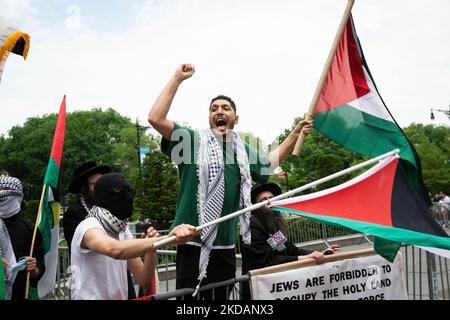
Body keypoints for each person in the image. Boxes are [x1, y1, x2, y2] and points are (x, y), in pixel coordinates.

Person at [148, 63, 313, 299]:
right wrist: (177, 78)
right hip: (192, 242)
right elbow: (155, 118)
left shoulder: (243, 151)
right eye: (213, 108)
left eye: (225, 108)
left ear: (235, 118)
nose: (219, 111)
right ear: (209, 117)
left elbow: (267, 165)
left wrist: (294, 134)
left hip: (224, 246)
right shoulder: (191, 140)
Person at [70, 172, 199, 300]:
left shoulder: (123, 231)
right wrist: (168, 239)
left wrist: (151, 249)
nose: (128, 197)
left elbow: (143, 280)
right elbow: (114, 249)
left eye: (130, 192)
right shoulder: (88, 226)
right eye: (120, 191)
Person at [240, 182, 341, 299]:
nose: (268, 202)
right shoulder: (252, 227)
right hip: (257, 292)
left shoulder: (272, 226)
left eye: (271, 199)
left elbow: (291, 249)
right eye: (263, 200)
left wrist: (320, 254)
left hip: (275, 289)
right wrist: (306, 258)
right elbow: (267, 260)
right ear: (256, 206)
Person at [0, 175, 45, 300]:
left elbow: (40, 266)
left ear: (18, 196)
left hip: (19, 293)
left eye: (6, 189)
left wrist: (34, 268)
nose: (2, 193)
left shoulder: (31, 229)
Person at [63, 161, 111, 252]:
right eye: (95, 183)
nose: (101, 186)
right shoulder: (73, 213)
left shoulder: (110, 207)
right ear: (85, 188)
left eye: (102, 182)